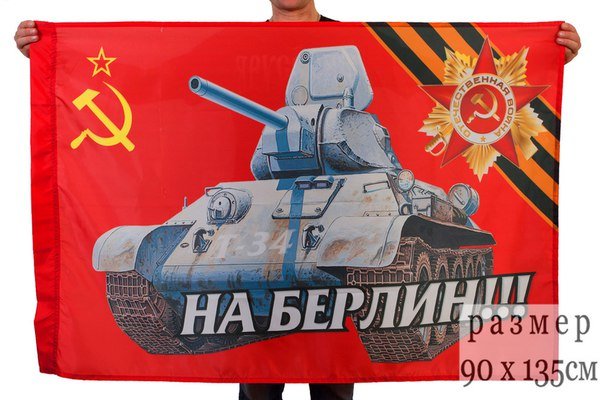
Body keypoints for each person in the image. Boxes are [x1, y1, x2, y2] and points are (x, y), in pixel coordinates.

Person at [13, 1, 581, 399]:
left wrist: (545, 55)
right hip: (265, 207)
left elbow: (435, 69)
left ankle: (393, 332)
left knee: (333, 383)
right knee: (256, 386)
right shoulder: (242, 44)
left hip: (366, 199)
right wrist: (53, 56)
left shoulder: (362, 39)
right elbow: (157, 69)